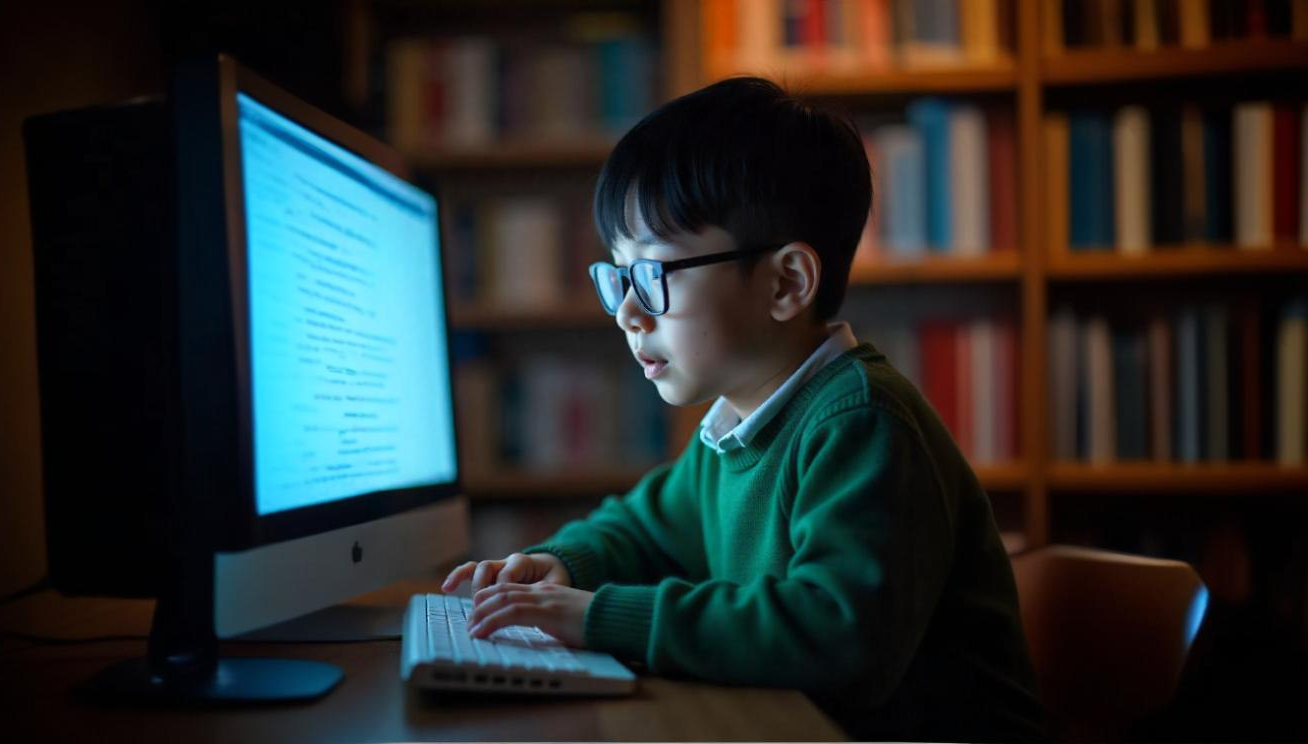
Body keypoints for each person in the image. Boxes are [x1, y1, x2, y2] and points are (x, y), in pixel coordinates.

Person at [441, 76, 1043, 742]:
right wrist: (565, 565)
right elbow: (640, 530)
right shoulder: (734, 429)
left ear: (786, 282)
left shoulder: (862, 424)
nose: (629, 314)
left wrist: (595, 615)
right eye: (618, 277)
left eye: (653, 276)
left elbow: (836, 638)